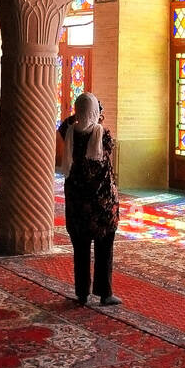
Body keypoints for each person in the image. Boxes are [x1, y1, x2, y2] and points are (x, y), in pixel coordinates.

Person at [62, 91, 120, 307]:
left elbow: (66, 123)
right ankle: (105, 293)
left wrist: (77, 117)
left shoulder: (69, 133)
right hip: (101, 207)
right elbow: (109, 147)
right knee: (104, 250)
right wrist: (99, 114)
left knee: (81, 249)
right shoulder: (102, 134)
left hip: (77, 205)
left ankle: (82, 293)